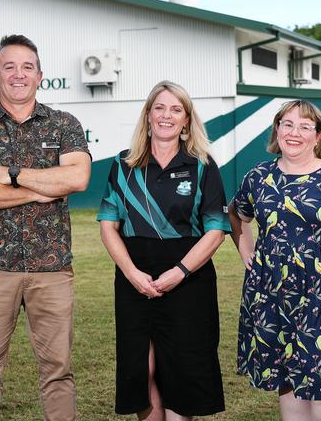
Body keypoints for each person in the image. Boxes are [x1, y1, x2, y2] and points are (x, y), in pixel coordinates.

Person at [0, 34, 91, 421]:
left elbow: (77, 179)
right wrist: (41, 189)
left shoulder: (64, 124)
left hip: (52, 269)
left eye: (27, 67)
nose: (18, 75)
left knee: (58, 371)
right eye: (9, 67)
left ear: (40, 76)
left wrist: (11, 175)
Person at [97, 80, 230, 420]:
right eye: (160, 108)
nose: (167, 116)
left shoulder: (202, 165)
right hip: (134, 277)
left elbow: (216, 231)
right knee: (141, 371)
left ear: (186, 120)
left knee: (181, 373)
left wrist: (180, 272)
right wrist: (131, 274)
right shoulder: (123, 165)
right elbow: (108, 225)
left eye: (176, 109)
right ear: (148, 115)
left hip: (188, 279)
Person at [229, 100, 321, 420]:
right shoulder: (259, 177)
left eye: (305, 126)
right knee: (290, 388)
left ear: (319, 136)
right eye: (287, 124)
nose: (294, 132)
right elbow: (236, 214)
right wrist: (247, 254)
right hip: (272, 298)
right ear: (277, 130)